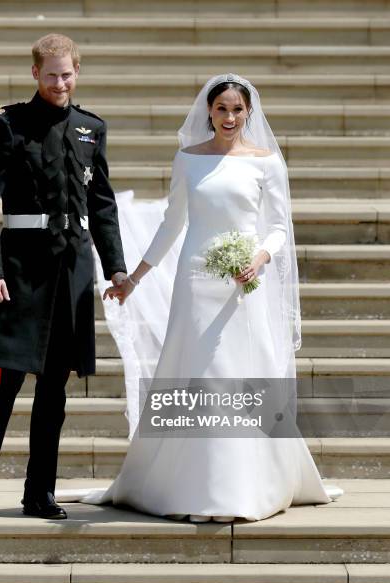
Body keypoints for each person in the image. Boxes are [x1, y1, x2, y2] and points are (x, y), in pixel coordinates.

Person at [55, 73, 344, 523]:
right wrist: (134, 278)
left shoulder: (266, 161)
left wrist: (261, 257)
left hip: (244, 282)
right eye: (222, 108)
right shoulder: (188, 159)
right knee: (198, 374)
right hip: (196, 282)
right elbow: (173, 224)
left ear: (249, 113)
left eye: (237, 109)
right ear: (209, 111)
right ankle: (193, 485)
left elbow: (279, 227)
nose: (229, 117)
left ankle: (245, 486)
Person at [0, 33, 127, 519]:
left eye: (68, 73)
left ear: (78, 72)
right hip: (20, 268)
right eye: (52, 74)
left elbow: (102, 205)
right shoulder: (6, 125)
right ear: (35, 73)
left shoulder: (90, 129)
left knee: (55, 385)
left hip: (72, 269)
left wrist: (115, 267)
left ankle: (40, 492)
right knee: (9, 378)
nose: (61, 83)